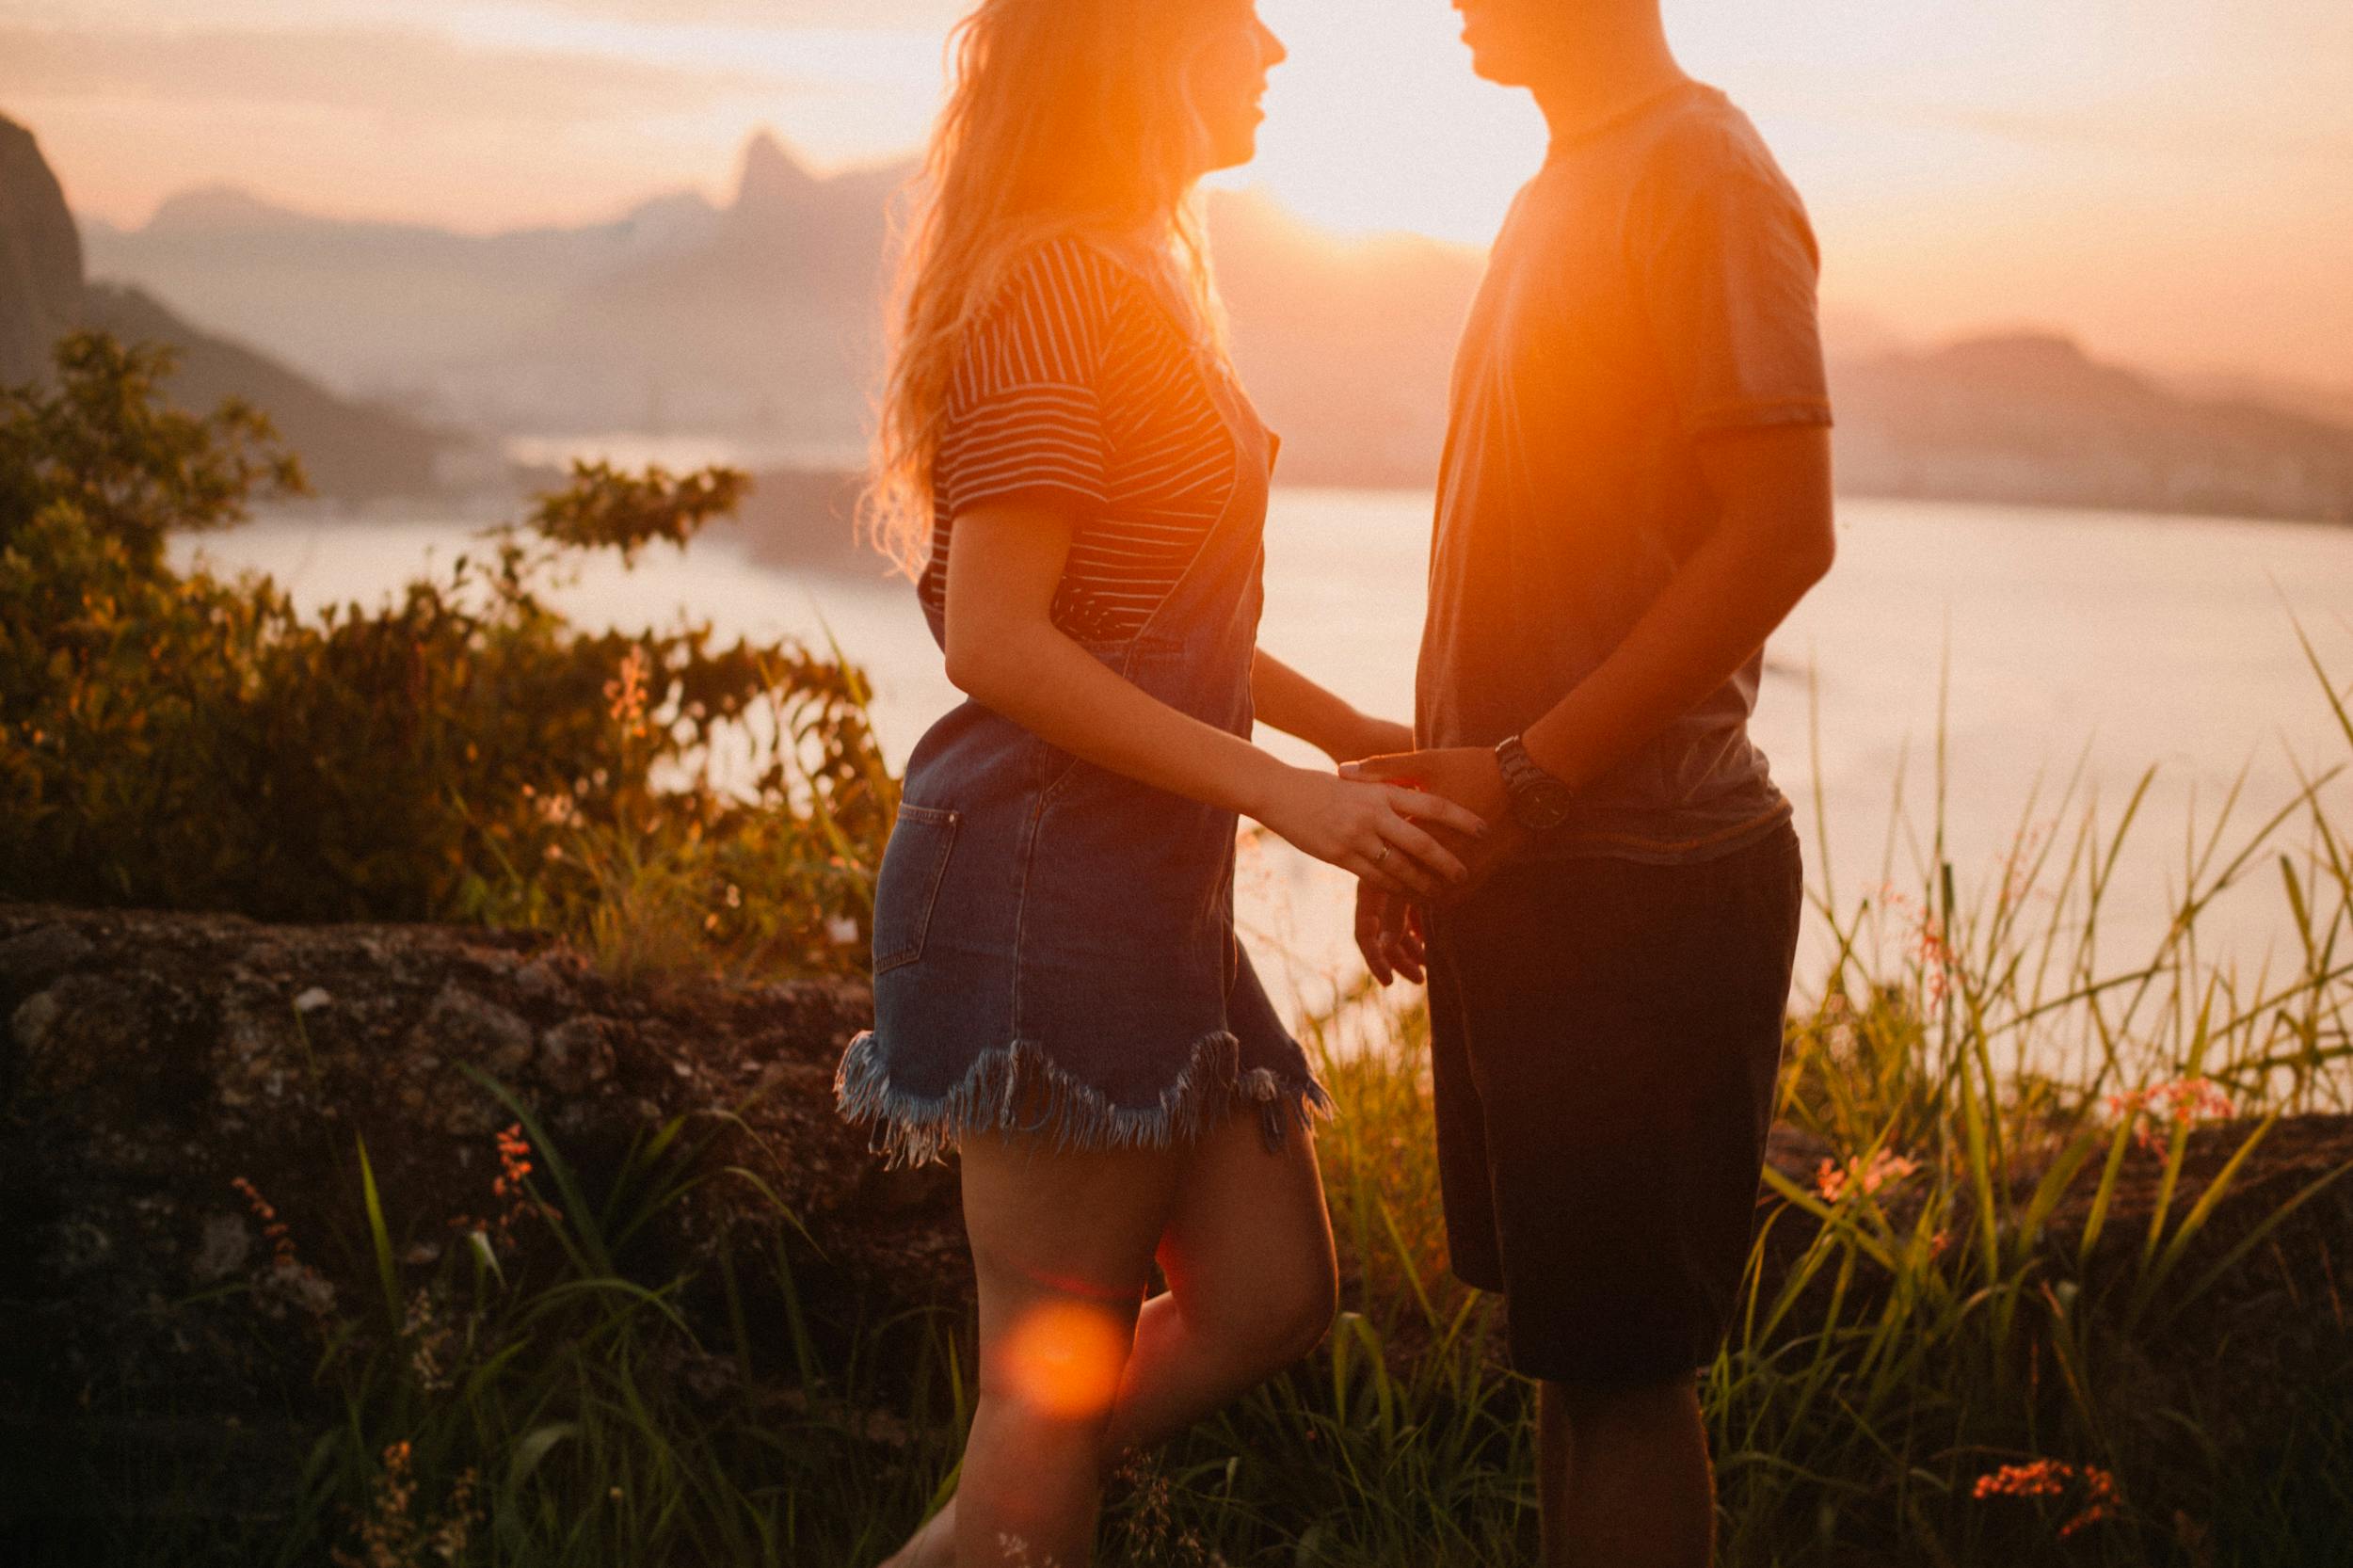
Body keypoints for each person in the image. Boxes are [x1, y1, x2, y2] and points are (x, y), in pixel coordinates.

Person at [835, 3, 1489, 1563]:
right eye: (1241, 21)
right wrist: (1289, 798)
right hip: (1040, 888)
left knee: (1269, 1297)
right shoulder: (1059, 284)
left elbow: (1157, 621)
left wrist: (1354, 744)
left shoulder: (1135, 269)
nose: (1274, 52)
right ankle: (1008, 1498)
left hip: (1136, 891)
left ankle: (1001, 1497)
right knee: (1037, 1427)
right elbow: (998, 638)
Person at [1347, 1, 1838, 1564]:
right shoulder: (1560, 185)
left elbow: (1781, 532)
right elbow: (1515, 574)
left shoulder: (1704, 172)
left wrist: (1521, 781)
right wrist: (1439, 814)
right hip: (1531, 864)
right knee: (1568, 1365)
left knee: (1625, 1379)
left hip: (1642, 876)